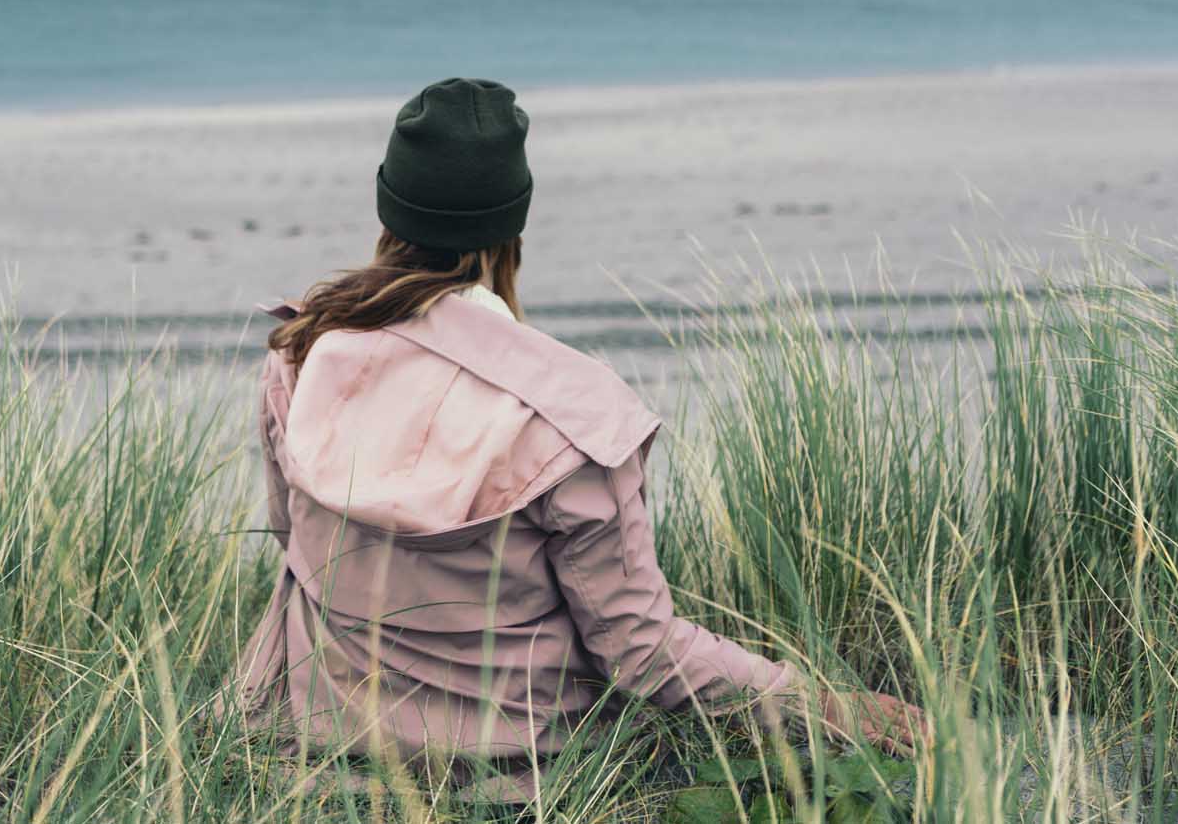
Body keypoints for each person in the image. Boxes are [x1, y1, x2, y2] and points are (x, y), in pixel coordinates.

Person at [232, 77, 924, 796]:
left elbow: (293, 538)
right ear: (512, 233)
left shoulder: (300, 352)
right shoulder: (575, 418)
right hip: (520, 783)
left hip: (315, 758)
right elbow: (642, 653)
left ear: (390, 211)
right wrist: (822, 704)